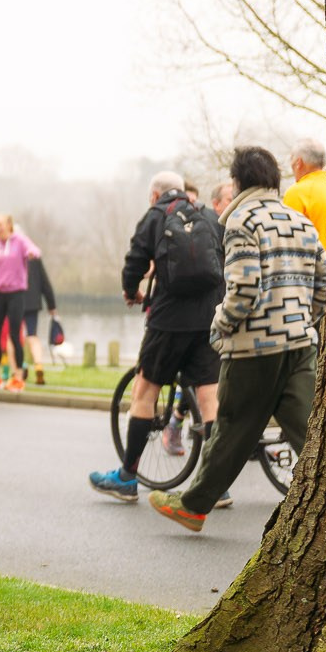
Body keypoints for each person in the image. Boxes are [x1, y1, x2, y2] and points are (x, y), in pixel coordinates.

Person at [151, 147, 326, 531]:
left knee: (231, 429)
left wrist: (219, 326)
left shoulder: (242, 221)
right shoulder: (301, 222)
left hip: (254, 348)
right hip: (300, 344)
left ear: (238, 182)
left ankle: (192, 507)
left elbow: (244, 288)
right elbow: (325, 281)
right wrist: (305, 319)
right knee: (311, 432)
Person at [91, 173, 227, 501]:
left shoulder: (155, 216)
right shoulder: (208, 215)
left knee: (145, 391)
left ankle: (126, 477)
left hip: (168, 322)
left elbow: (135, 261)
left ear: (155, 195)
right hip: (208, 318)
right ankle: (216, 487)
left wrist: (131, 291)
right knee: (210, 399)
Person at [0, 215, 38, 391]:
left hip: (16, 293)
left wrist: (31, 253)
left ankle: (18, 377)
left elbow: (35, 251)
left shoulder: (19, 240)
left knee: (14, 334)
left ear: (8, 225)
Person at [285, 138, 326, 256]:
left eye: (291, 159)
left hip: (316, 268)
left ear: (298, 163)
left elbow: (287, 238)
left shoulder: (297, 192)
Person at [21, 241, 58, 382]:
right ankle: (38, 365)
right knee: (32, 335)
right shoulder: (35, 258)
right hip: (33, 303)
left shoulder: (14, 257)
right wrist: (52, 306)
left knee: (17, 337)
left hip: (15, 301)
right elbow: (45, 284)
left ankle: (22, 365)